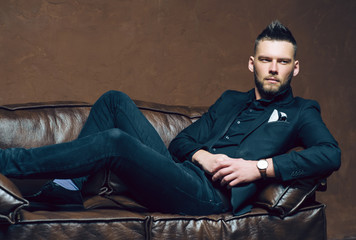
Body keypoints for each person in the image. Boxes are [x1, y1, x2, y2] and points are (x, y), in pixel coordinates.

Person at [0, 20, 341, 215]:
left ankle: (8, 162)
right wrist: (204, 156)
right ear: (252, 64)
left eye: (282, 62)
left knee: (116, 142)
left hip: (209, 196)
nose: (273, 69)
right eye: (266, 60)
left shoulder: (301, 112)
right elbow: (182, 142)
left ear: (295, 68)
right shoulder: (229, 101)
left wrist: (260, 168)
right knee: (113, 101)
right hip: (182, 172)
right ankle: (70, 187)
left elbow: (330, 154)